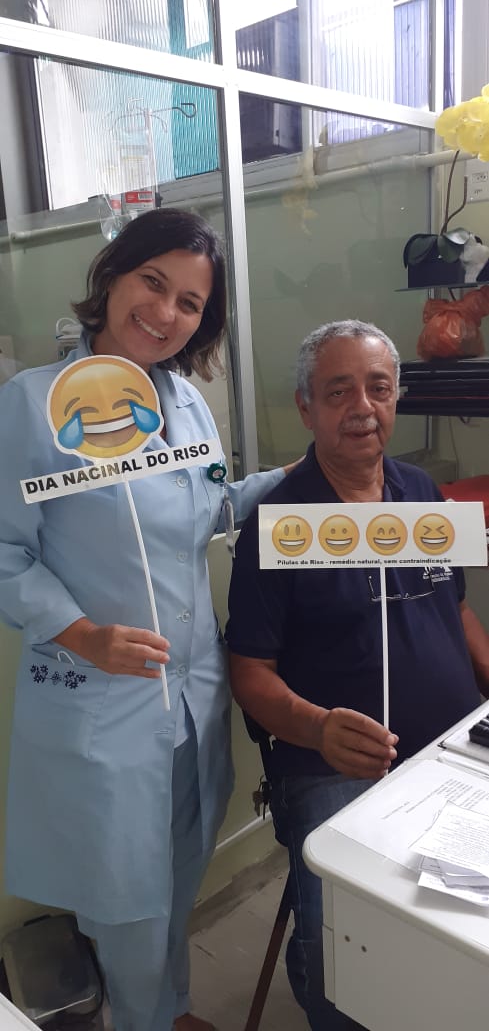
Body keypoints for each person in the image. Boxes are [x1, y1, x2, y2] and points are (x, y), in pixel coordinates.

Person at [0, 208, 294, 1031]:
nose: (165, 313)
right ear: (112, 278)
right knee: (124, 897)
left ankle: (165, 1010)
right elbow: (3, 549)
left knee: (175, 868)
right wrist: (80, 633)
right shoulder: (32, 405)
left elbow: (207, 511)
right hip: (104, 699)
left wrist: (294, 477)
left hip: (193, 691)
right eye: (152, 283)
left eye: (189, 303)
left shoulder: (185, 405)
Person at [226, 319, 489, 1031]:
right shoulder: (277, 524)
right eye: (338, 392)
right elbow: (248, 671)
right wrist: (316, 728)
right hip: (328, 764)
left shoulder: (422, 491)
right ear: (305, 408)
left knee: (465, 914)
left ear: (396, 396)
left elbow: (456, 607)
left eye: (377, 388)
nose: (362, 407)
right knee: (345, 941)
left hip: (452, 743)